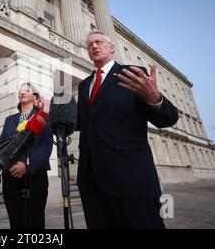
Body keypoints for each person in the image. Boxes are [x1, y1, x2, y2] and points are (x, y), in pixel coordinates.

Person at [76, 30, 179, 229]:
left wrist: (154, 98)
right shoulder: (84, 86)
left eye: (99, 42)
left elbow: (168, 118)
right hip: (92, 181)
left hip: (131, 179)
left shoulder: (133, 73)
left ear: (111, 47)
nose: (94, 46)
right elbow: (84, 124)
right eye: (90, 45)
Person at [0, 82, 53, 229]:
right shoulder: (9, 120)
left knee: (35, 222)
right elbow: (1, 145)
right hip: (11, 177)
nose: (22, 92)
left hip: (35, 176)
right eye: (20, 91)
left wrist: (27, 165)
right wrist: (8, 165)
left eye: (27, 90)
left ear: (35, 96)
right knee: (16, 222)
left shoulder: (43, 116)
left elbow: (46, 145)